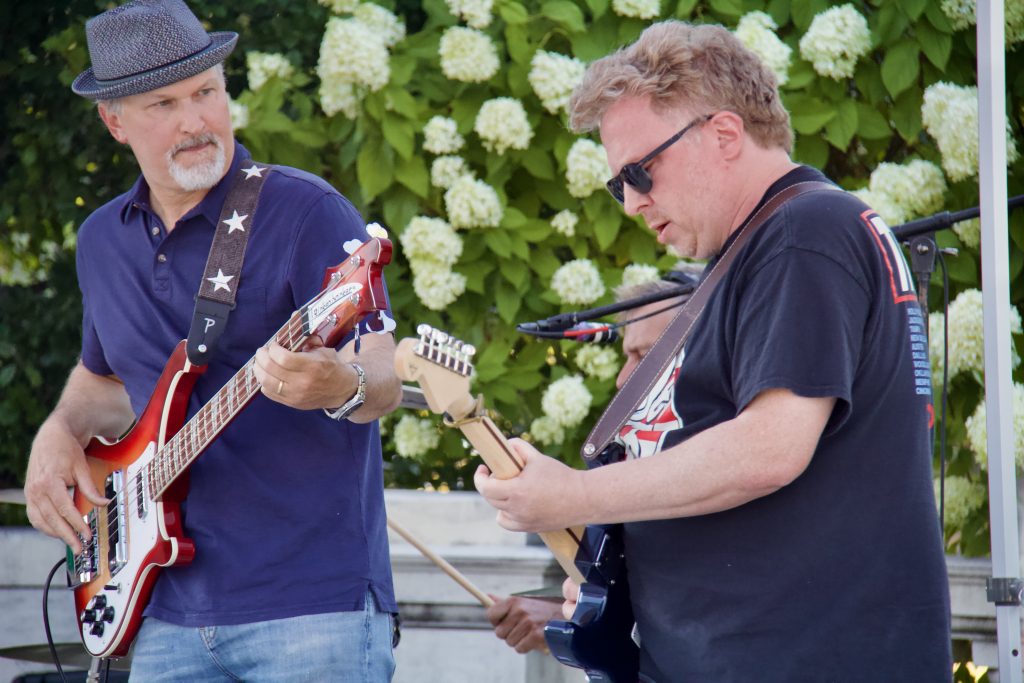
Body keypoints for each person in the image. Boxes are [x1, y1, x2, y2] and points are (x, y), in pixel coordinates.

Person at [474, 20, 951, 682]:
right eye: (619, 184)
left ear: (724, 134)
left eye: (641, 171)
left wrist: (575, 494)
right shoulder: (774, 244)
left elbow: (768, 449)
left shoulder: (803, 233)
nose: (634, 202)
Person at [23, 1, 402, 680]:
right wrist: (59, 432)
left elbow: (381, 375)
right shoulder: (102, 241)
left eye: (206, 92)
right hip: (165, 613)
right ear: (115, 122)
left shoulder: (304, 210)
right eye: (164, 103)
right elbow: (108, 381)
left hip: (310, 609)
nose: (196, 120)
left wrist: (340, 386)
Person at [486, 279, 684, 654]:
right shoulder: (626, 456)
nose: (623, 377)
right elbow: (635, 594)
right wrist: (560, 612)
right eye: (627, 356)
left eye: (645, 357)